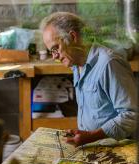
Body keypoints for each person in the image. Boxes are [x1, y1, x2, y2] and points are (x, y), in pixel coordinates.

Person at [40, 12, 137, 146]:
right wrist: (85, 135)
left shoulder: (109, 63)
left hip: (116, 150)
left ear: (72, 37)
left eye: (56, 48)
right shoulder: (77, 65)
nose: (55, 56)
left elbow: (132, 115)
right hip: (93, 147)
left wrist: (92, 136)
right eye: (51, 51)